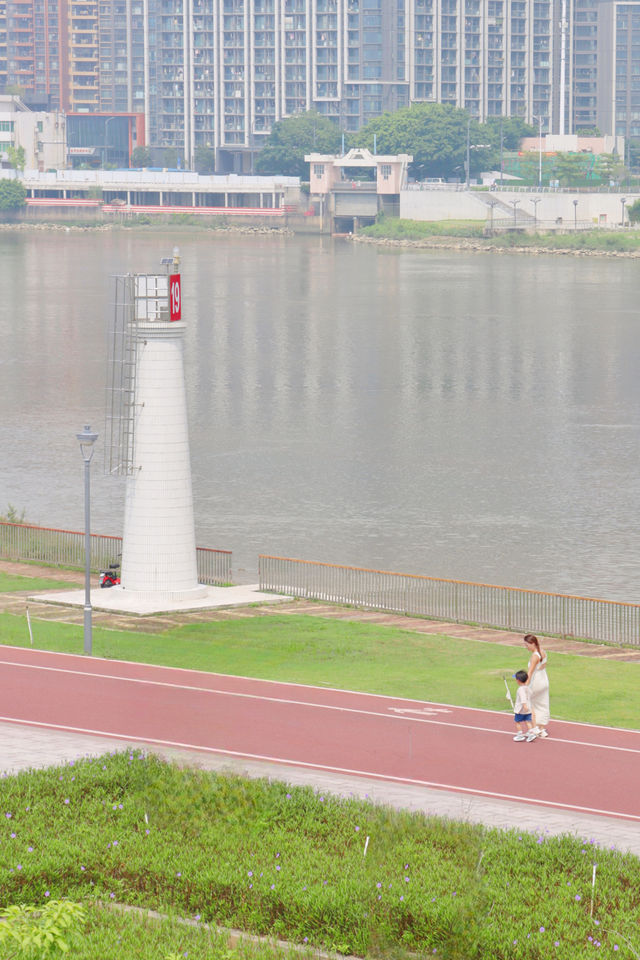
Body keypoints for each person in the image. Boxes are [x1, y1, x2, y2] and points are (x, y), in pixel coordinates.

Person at [524, 633, 550, 738]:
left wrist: (524, 686)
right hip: (544, 680)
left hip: (536, 682)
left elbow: (530, 672)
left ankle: (535, 729)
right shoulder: (543, 652)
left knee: (530, 705)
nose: (526, 647)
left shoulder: (535, 656)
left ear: (533, 643)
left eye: (527, 645)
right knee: (543, 704)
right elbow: (543, 666)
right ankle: (542, 729)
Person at [512, 670, 536, 742]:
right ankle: (531, 733)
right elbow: (531, 694)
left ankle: (520, 735)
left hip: (521, 710)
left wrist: (524, 706)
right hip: (528, 709)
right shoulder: (527, 688)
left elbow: (523, 699)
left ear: (518, 680)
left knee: (517, 722)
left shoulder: (520, 689)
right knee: (528, 721)